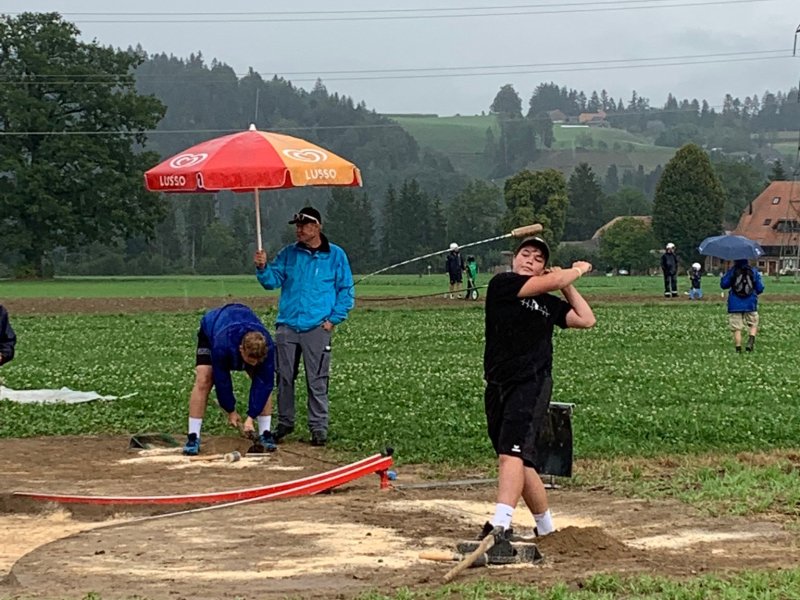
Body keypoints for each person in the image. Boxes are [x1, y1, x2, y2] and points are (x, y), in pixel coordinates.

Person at [481, 236, 595, 543]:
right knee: (519, 459)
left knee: (511, 454)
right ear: (514, 259)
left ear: (543, 267)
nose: (530, 260)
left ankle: (500, 524)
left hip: (531, 382)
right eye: (525, 254)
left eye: (538, 258)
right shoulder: (503, 284)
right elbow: (553, 280)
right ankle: (545, 528)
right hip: (497, 383)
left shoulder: (547, 302)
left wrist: (568, 285)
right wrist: (577, 270)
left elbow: (586, 319)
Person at [254, 206, 355, 447]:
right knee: (284, 377)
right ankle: (285, 422)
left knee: (317, 379)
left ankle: (318, 426)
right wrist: (262, 268)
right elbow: (272, 282)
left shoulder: (336, 255)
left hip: (318, 327)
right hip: (288, 325)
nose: (298, 230)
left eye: (304, 225)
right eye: (297, 226)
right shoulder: (289, 253)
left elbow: (346, 290)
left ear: (317, 227)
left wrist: (333, 320)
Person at [183, 303, 276, 456]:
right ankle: (193, 436)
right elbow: (222, 380)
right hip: (212, 329)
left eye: (257, 361)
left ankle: (265, 433)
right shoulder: (222, 346)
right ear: (241, 350)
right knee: (204, 378)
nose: (253, 364)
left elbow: (265, 383)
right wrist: (231, 410)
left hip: (241, 322)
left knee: (262, 381)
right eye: (249, 360)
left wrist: (250, 418)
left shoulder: (268, 347)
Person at [720, 258, 764, 353]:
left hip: (734, 303)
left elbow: (723, 285)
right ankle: (751, 340)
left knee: (736, 328)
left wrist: (725, 275)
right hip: (750, 302)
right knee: (753, 323)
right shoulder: (753, 271)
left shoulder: (733, 271)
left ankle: (738, 349)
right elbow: (760, 288)